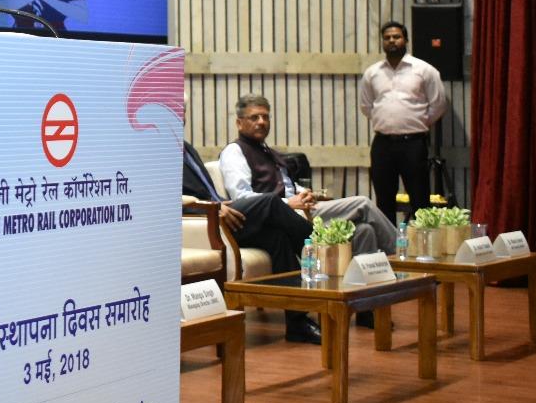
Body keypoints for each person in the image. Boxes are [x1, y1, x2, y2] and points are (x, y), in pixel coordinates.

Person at [219, 94, 399, 327]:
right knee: (363, 203)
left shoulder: (267, 150)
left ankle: (365, 309)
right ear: (239, 122)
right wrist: (289, 203)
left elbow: (285, 186)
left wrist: (304, 193)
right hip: (284, 215)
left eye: (265, 116)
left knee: (365, 231)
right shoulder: (235, 152)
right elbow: (242, 197)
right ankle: (406, 260)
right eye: (254, 117)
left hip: (302, 210)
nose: (262, 122)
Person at [182, 139, 320, 343]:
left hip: (222, 208)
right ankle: (322, 251)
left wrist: (220, 202)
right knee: (270, 202)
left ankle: (297, 322)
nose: (181, 115)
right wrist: (214, 206)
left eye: (183, 112)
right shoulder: (158, 152)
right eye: (177, 110)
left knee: (278, 239)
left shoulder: (185, 147)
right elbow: (166, 197)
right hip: (206, 218)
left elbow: (207, 189)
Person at [360, 20, 446, 223]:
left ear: (406, 40)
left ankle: (420, 247)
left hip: (413, 144)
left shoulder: (425, 70)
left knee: (419, 199)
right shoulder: (372, 73)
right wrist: (389, 121)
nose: (392, 41)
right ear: (382, 42)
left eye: (396, 37)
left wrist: (417, 123)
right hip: (383, 144)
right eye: (387, 38)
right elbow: (366, 106)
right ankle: (388, 249)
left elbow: (438, 104)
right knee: (384, 199)